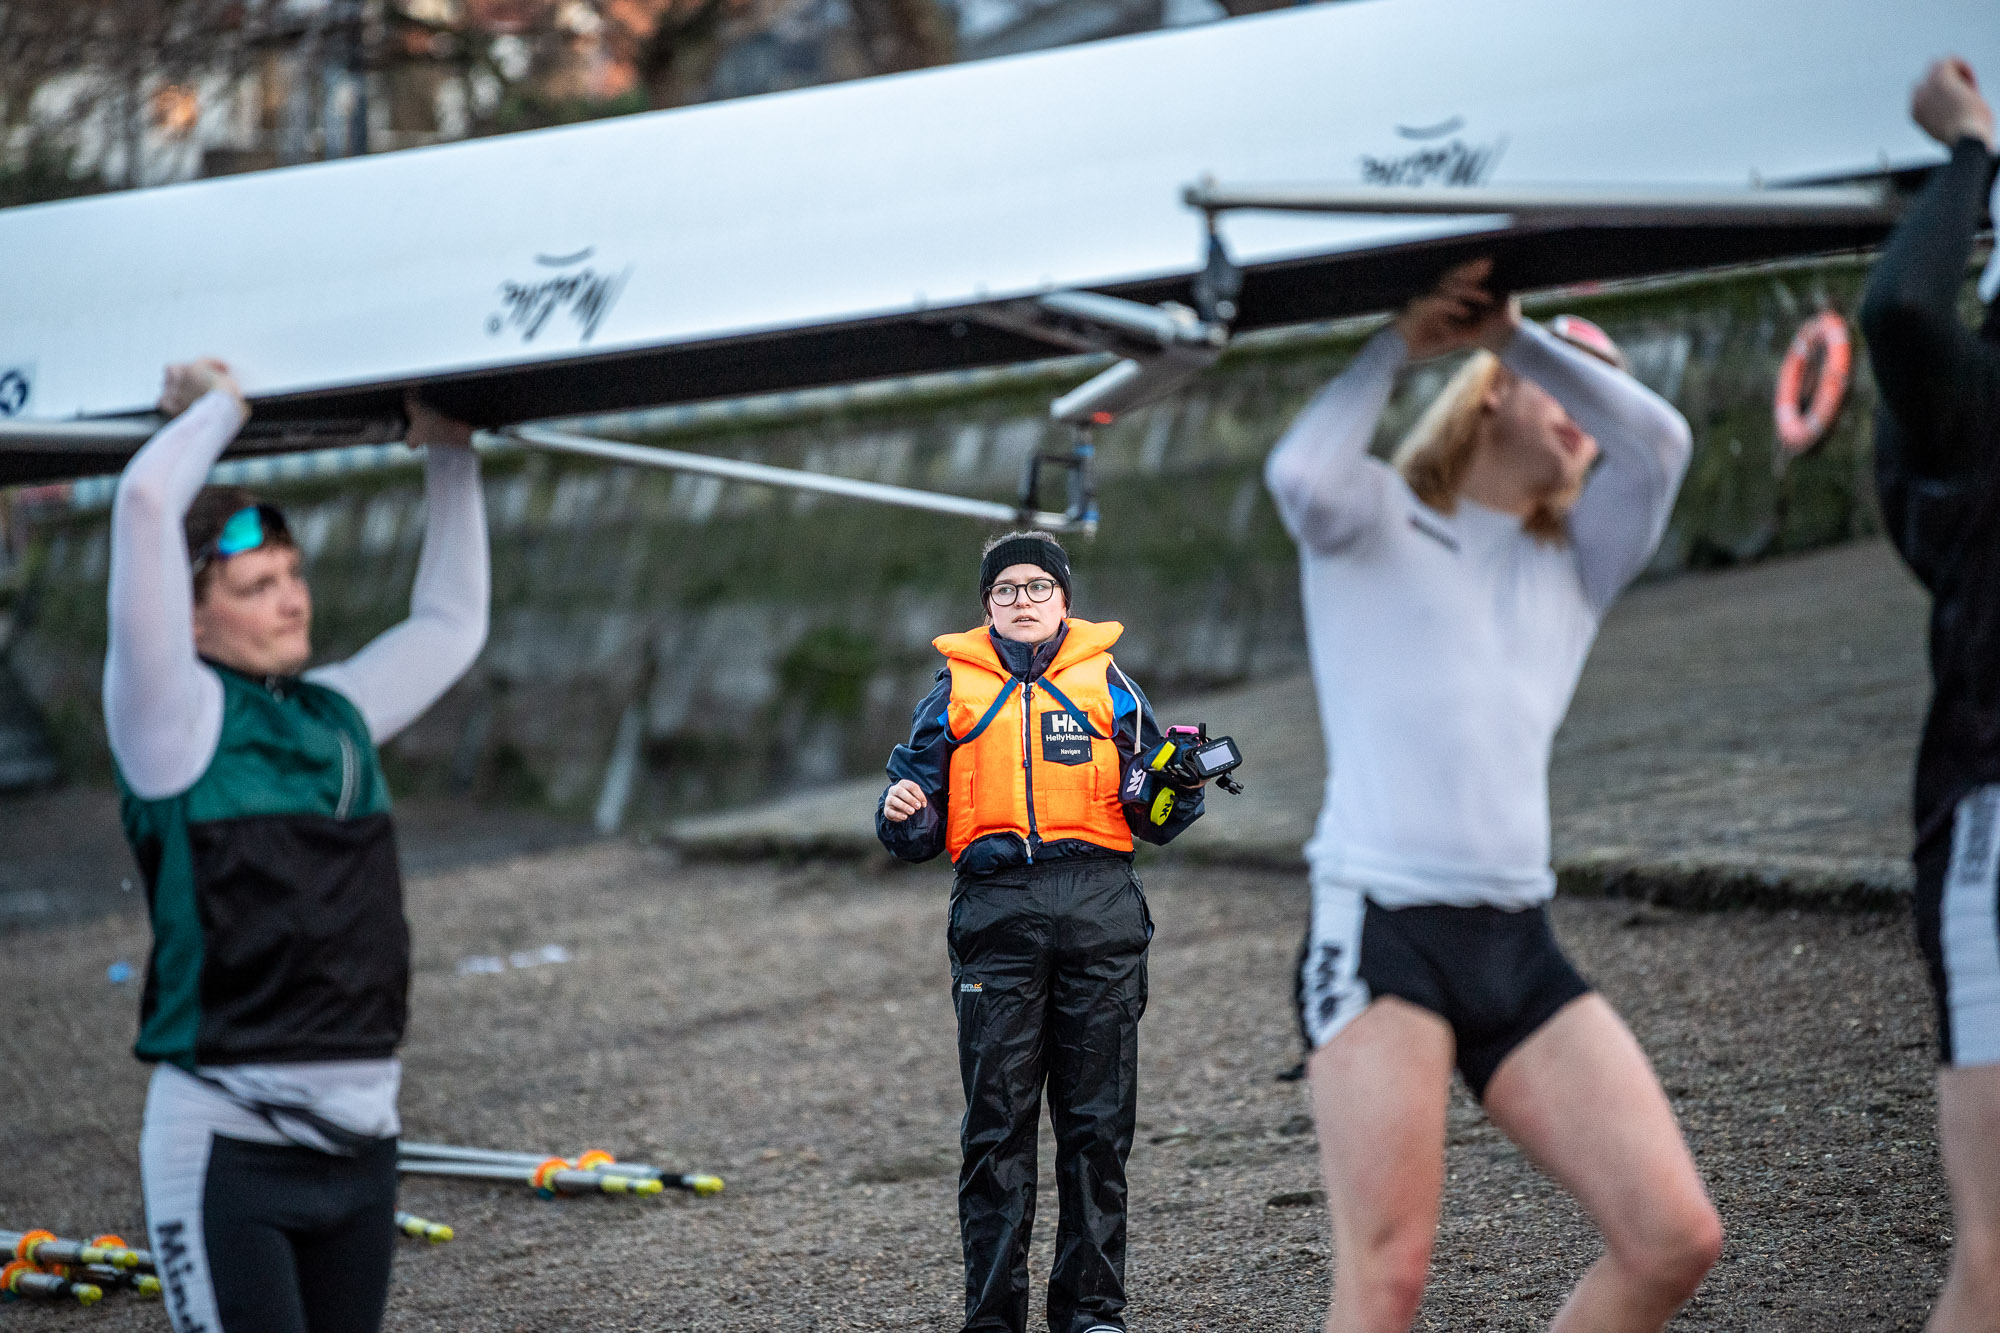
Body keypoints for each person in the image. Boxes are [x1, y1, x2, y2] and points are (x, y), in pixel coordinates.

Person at [1265, 260, 1722, 1333]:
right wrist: (1395, 346)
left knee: (1670, 1237)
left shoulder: (1573, 561)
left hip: (1515, 935)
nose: (1583, 412)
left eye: (1589, 388)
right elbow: (1295, 471)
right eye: (1556, 383)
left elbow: (1659, 445)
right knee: (1386, 1278)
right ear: (1485, 396)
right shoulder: (1370, 515)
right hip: (1379, 928)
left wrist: (1520, 337)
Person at [105, 358, 488, 1333]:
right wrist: (224, 408)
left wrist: (449, 452)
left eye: (292, 575)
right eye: (256, 584)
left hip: (365, 1146)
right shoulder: (168, 723)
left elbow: (451, 621)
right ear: (190, 615)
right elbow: (149, 501)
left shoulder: (340, 713)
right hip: (230, 1148)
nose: (291, 599)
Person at [876, 530, 1205, 1333]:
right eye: (1007, 589)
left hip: (1101, 916)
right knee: (997, 1131)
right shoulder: (949, 691)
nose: (1023, 600)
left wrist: (1179, 786)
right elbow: (914, 818)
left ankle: (1092, 1314)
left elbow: (1155, 815)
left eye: (1038, 587)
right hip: (996, 916)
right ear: (985, 604)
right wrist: (902, 815)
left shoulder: (1113, 685)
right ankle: (992, 1319)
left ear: (1065, 599)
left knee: (1097, 1130)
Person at [1860, 56, 2000, 1333]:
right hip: (1990, 833)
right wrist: (1967, 150)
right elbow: (1903, 317)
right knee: (1996, 1262)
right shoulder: (1974, 414)